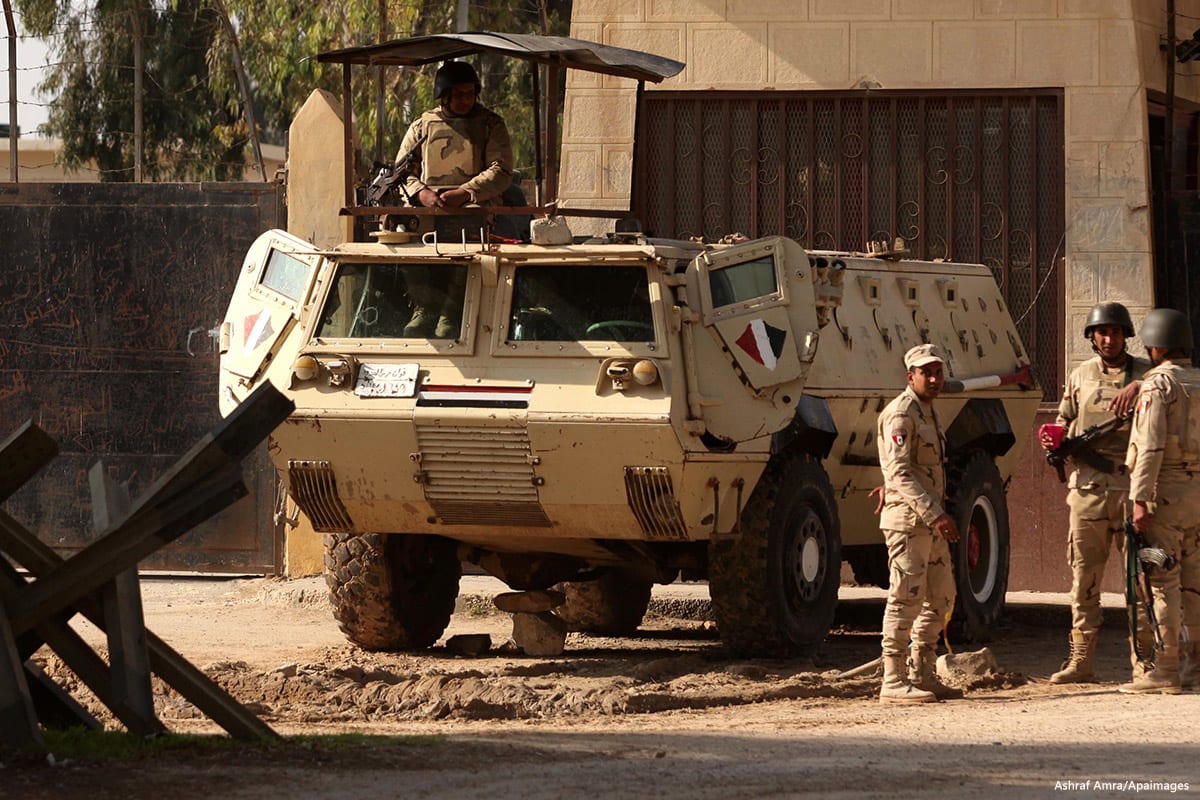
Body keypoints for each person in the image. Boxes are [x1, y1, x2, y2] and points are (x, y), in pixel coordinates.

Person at [1041, 302, 1153, 684]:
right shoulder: (1081, 375)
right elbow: (1064, 417)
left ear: (1126, 335)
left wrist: (1142, 384)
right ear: (1092, 337)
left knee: (1140, 581)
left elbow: (1175, 388)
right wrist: (1055, 440)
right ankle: (1081, 661)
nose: (1109, 339)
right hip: (1088, 490)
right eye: (1102, 332)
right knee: (1084, 580)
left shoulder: (1148, 374)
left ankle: (1145, 662)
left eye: (1116, 332)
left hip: (1133, 488)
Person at [1120, 308, 1200, 694]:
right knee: (1195, 581)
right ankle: (1195, 667)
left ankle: (1165, 668)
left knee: (1163, 579)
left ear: (1156, 345)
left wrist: (1140, 500)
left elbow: (1149, 447)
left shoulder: (1156, 387)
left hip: (1165, 496)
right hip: (1197, 495)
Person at [876, 343, 961, 704]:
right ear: (910, 376)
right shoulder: (902, 413)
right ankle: (892, 680)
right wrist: (936, 514)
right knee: (905, 598)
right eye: (926, 372)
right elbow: (899, 472)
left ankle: (922, 671)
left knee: (941, 597)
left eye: (939, 372)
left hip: (929, 522)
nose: (934, 378)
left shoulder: (929, 412)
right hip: (911, 523)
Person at [395, 60, 513, 223]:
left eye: (470, 94)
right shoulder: (421, 127)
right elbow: (401, 172)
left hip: (476, 204)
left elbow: (501, 171)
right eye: (459, 95)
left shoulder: (491, 125)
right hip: (428, 207)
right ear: (444, 96)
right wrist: (421, 193)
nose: (466, 100)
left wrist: (465, 192)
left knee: (472, 223)